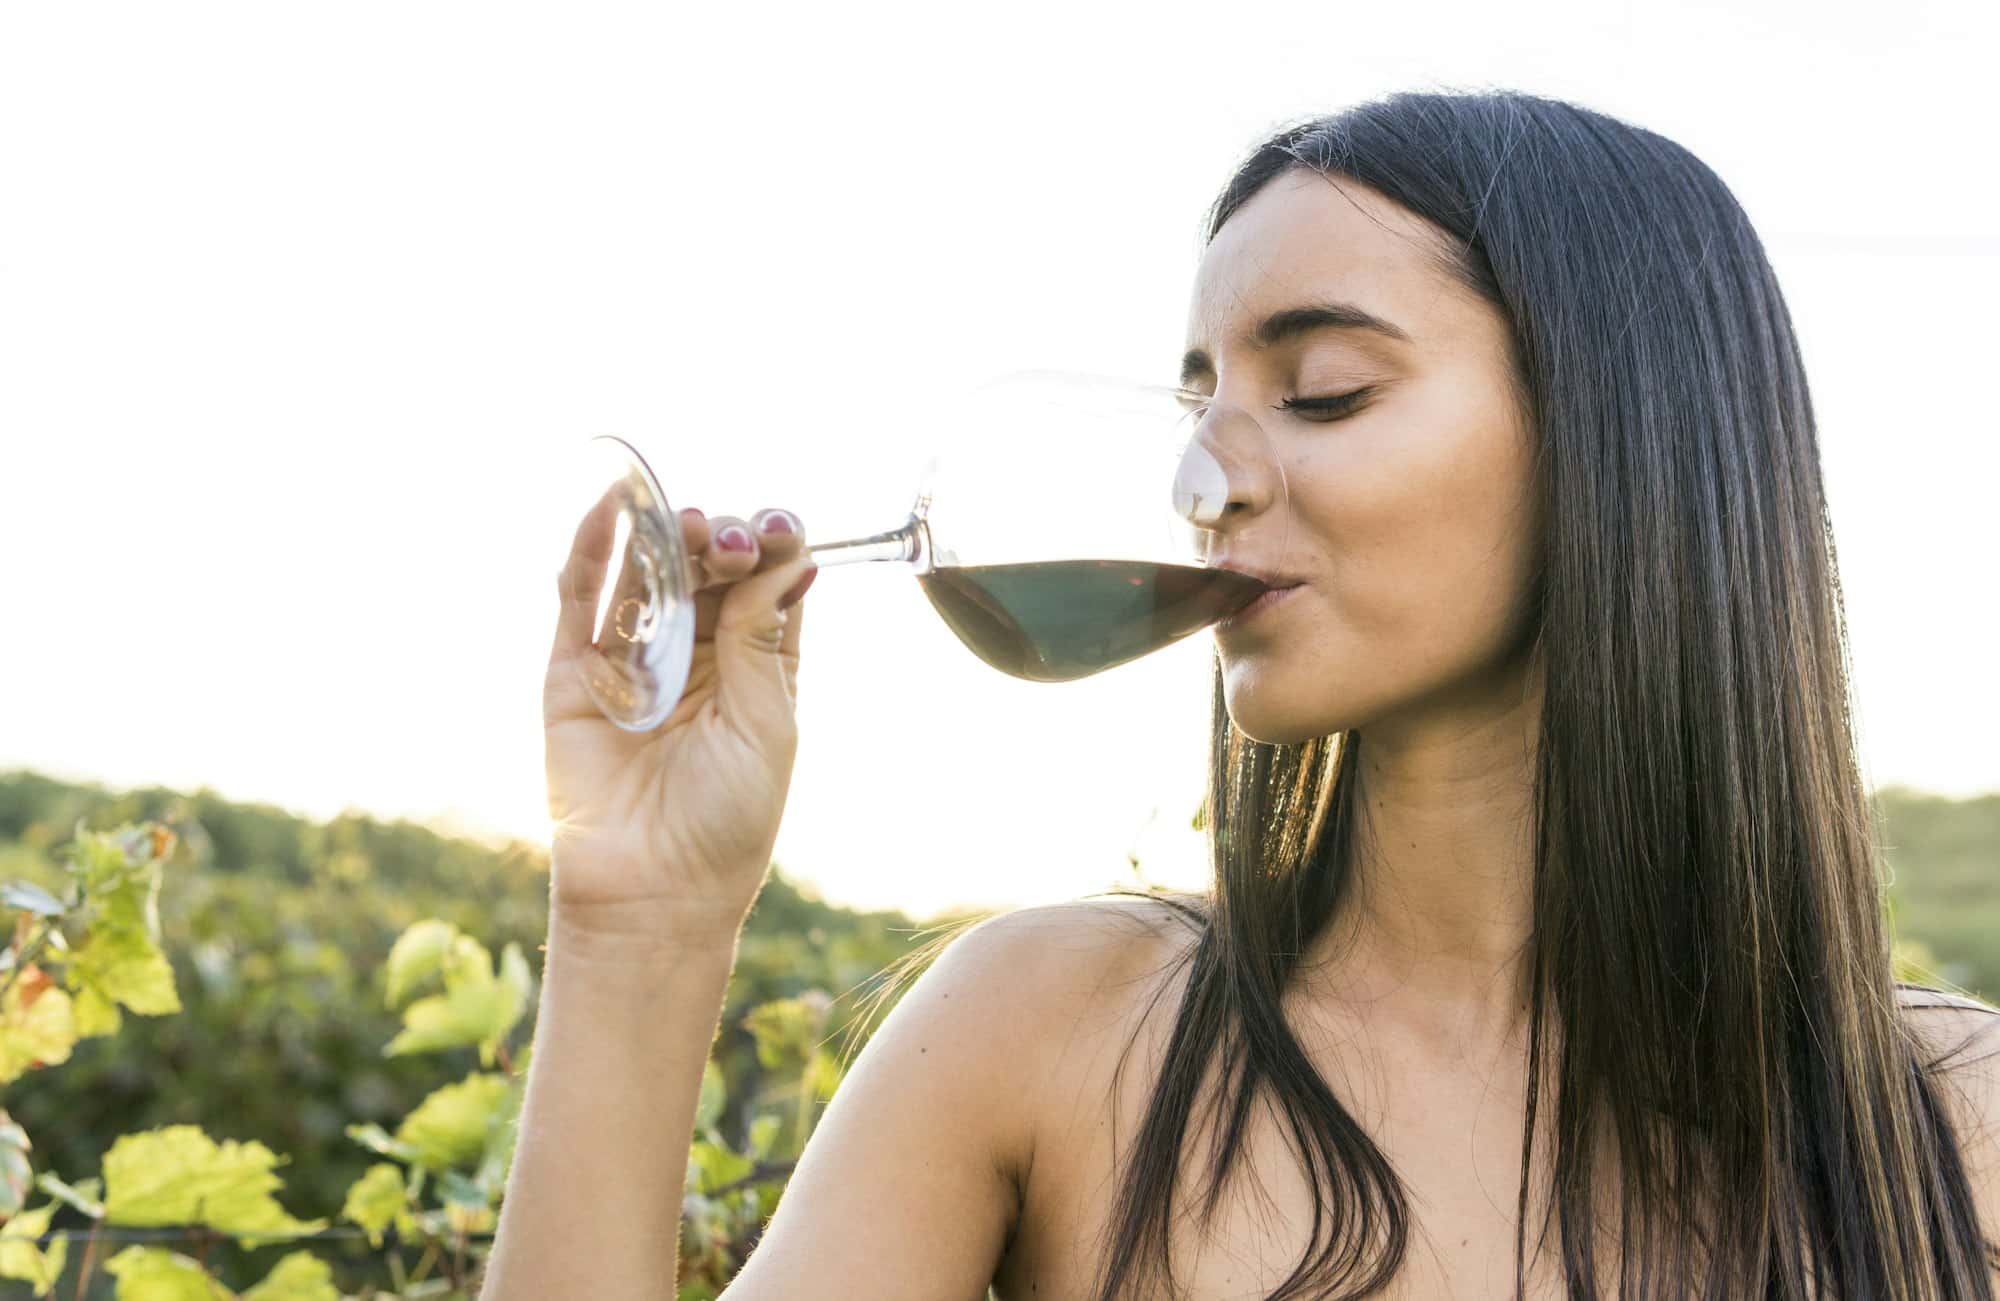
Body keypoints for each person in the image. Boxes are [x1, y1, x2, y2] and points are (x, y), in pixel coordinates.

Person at [483, 89, 2000, 1298]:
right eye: (1201, 397)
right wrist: (642, 921)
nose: (1204, 477)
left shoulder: (1958, 1128)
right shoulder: (1057, 1035)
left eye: (1323, 390)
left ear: (1623, 434)